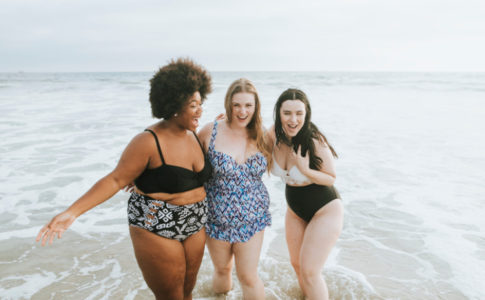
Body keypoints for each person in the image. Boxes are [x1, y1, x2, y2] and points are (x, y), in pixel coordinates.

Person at [36, 58, 213, 300]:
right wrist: (72, 212)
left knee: (187, 292)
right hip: (156, 224)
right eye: (193, 105)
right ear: (174, 104)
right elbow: (115, 180)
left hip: (195, 221)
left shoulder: (195, 135)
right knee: (171, 296)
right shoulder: (148, 141)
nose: (200, 110)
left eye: (201, 103)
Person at [268, 88, 343, 300]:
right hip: (295, 211)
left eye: (299, 113)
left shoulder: (314, 139)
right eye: (287, 113)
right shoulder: (273, 135)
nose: (293, 120)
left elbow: (330, 177)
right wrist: (226, 122)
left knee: (310, 271)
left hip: (325, 210)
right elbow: (247, 138)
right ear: (278, 113)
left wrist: (306, 170)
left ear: (306, 113)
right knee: (297, 265)